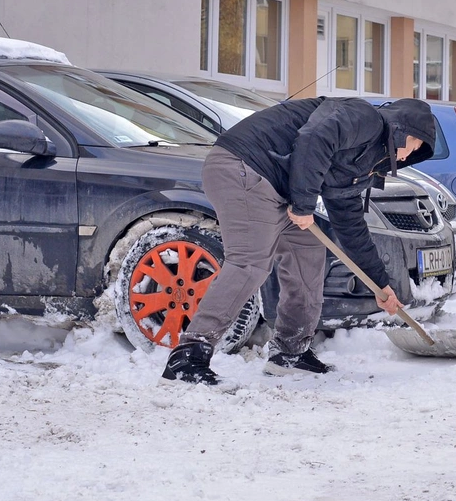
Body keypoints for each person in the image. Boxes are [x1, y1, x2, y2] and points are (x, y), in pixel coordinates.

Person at [162, 97, 436, 385]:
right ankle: (188, 357)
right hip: (244, 166)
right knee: (250, 262)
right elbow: (315, 138)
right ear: (402, 129)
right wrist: (304, 204)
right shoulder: (363, 117)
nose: (407, 157)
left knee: (308, 252)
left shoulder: (360, 166)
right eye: (414, 145)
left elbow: (351, 227)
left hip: (277, 187)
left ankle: (290, 352)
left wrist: (380, 285)